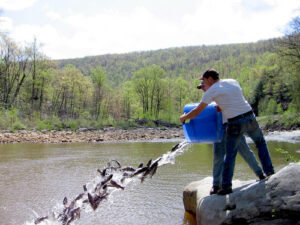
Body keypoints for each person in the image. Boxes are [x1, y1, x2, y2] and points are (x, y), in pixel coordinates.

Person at [180, 69, 274, 195]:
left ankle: (229, 185)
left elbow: (198, 111)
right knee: (251, 147)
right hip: (243, 119)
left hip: (232, 125)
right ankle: (267, 173)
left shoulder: (212, 92)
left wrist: (185, 117)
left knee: (236, 153)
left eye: (203, 83)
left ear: (209, 80)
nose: (203, 87)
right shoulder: (231, 82)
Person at [197, 81, 266, 195]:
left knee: (245, 151)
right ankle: (216, 185)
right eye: (201, 88)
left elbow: (234, 105)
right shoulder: (210, 97)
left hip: (232, 125)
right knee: (218, 157)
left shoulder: (221, 91)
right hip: (220, 129)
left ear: (209, 83)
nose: (203, 89)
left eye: (203, 86)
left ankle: (260, 174)